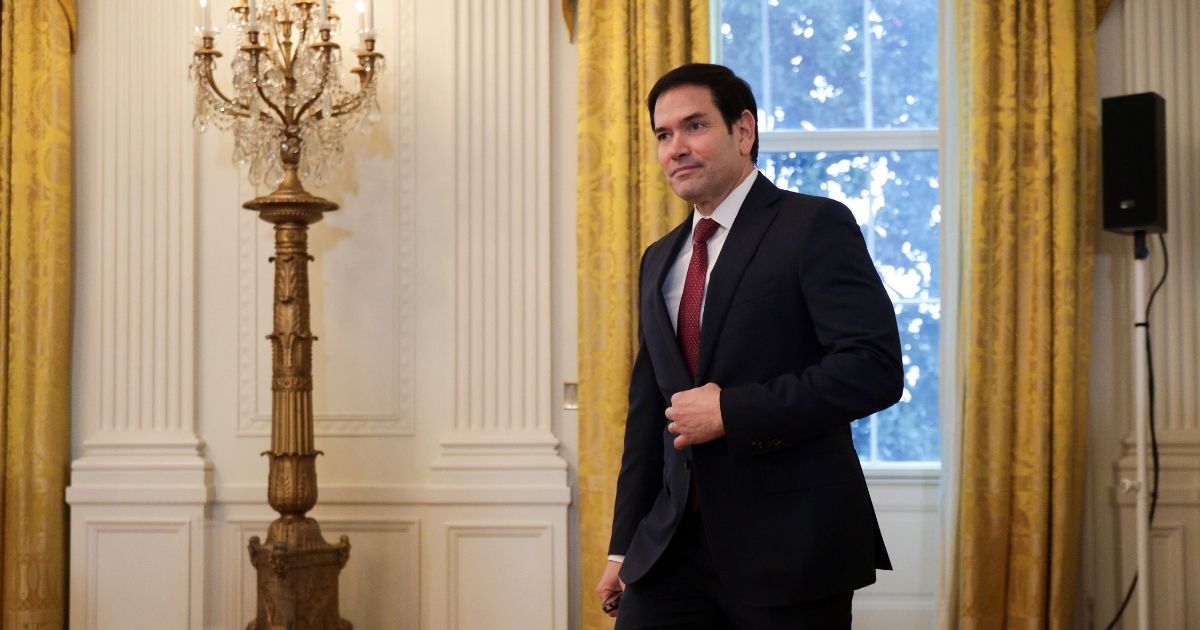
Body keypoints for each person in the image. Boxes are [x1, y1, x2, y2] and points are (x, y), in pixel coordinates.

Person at [595, 63, 904, 629]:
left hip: (791, 548)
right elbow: (648, 417)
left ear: (743, 131)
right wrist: (624, 546)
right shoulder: (658, 259)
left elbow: (874, 368)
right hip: (668, 551)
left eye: (694, 126)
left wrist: (731, 412)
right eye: (663, 135)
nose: (676, 148)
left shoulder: (813, 224)